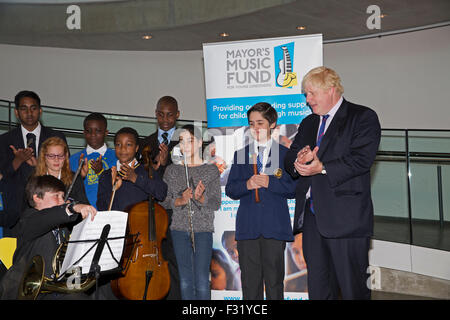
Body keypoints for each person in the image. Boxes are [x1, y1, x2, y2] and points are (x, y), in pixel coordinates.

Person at [284, 66, 381, 300]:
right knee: (318, 288)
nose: (307, 100)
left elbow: (361, 160)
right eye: (305, 94)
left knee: (352, 288)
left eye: (311, 93)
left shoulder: (362, 117)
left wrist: (322, 167)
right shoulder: (308, 122)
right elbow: (290, 159)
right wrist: (298, 161)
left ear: (331, 90)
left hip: (346, 219)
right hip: (312, 220)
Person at [225, 102, 296, 300]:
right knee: (250, 284)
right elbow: (231, 189)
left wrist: (270, 182)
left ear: (272, 124)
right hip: (248, 229)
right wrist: (247, 185)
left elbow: (293, 189)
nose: (255, 128)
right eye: (251, 123)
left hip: (275, 228)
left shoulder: (285, 154)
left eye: (260, 123)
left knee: (274, 283)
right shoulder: (241, 155)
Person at [0, 175, 97, 300]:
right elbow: (47, 218)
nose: (62, 201)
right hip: (27, 292)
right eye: (56, 196)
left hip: (54, 288)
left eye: (63, 197)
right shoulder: (28, 219)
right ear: (37, 198)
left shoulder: (62, 228)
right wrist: (71, 208)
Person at [160, 124, 221, 300]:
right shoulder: (172, 170)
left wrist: (201, 198)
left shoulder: (211, 170)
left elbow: (216, 203)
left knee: (202, 280)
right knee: (185, 280)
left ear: (200, 143)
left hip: (203, 230)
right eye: (181, 141)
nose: (185, 145)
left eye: (190, 141)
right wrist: (180, 200)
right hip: (179, 229)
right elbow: (163, 201)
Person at [0, 90, 66, 235]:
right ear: (16, 113)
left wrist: (39, 167)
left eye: (33, 108)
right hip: (15, 217)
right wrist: (17, 161)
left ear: (40, 111)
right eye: (24, 108)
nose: (29, 113)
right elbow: (1, 176)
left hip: (49, 212)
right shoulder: (4, 140)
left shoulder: (56, 137)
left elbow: (65, 173)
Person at [140, 95, 181, 299]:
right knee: (152, 259)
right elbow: (144, 177)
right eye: (161, 114)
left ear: (177, 115)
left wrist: (165, 164)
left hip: (176, 210)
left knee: (174, 261)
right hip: (152, 211)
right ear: (156, 114)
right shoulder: (144, 143)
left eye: (170, 115)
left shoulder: (186, 140)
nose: (165, 119)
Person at [97, 127, 167, 212]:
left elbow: (162, 193)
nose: (123, 149)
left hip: (141, 223)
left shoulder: (147, 170)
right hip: (116, 224)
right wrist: (113, 188)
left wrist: (135, 178)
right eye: (118, 144)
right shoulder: (107, 175)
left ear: (137, 148)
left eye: (128, 144)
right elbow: (101, 207)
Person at [69, 112, 117, 208]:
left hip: (109, 211)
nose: (93, 135)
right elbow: (68, 190)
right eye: (88, 131)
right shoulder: (73, 159)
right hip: (82, 213)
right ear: (84, 133)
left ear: (106, 133)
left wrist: (102, 172)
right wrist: (80, 175)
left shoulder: (116, 157)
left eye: (98, 131)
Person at [32, 137, 89, 206]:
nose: (56, 160)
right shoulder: (34, 179)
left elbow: (84, 205)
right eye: (51, 156)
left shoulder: (75, 178)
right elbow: (27, 210)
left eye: (60, 156)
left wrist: (72, 206)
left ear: (65, 157)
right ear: (43, 157)